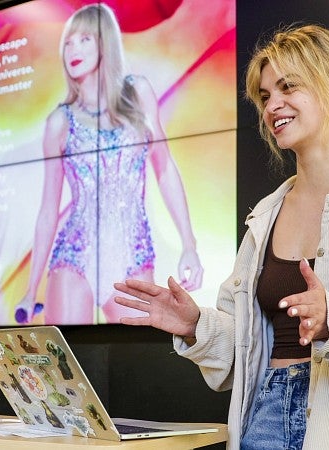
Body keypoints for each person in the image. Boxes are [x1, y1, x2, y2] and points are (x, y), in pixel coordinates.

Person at [113, 24, 329, 449]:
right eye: (265, 95)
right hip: (268, 415)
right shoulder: (265, 216)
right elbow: (244, 354)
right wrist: (195, 325)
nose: (273, 105)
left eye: (288, 87)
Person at [15, 3, 203, 325]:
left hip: (133, 254)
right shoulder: (59, 122)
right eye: (69, 42)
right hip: (74, 257)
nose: (74, 49)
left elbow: (165, 168)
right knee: (65, 366)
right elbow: (48, 209)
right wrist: (31, 289)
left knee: (138, 361)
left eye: (85, 39)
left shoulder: (138, 92)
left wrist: (189, 244)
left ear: (106, 42)